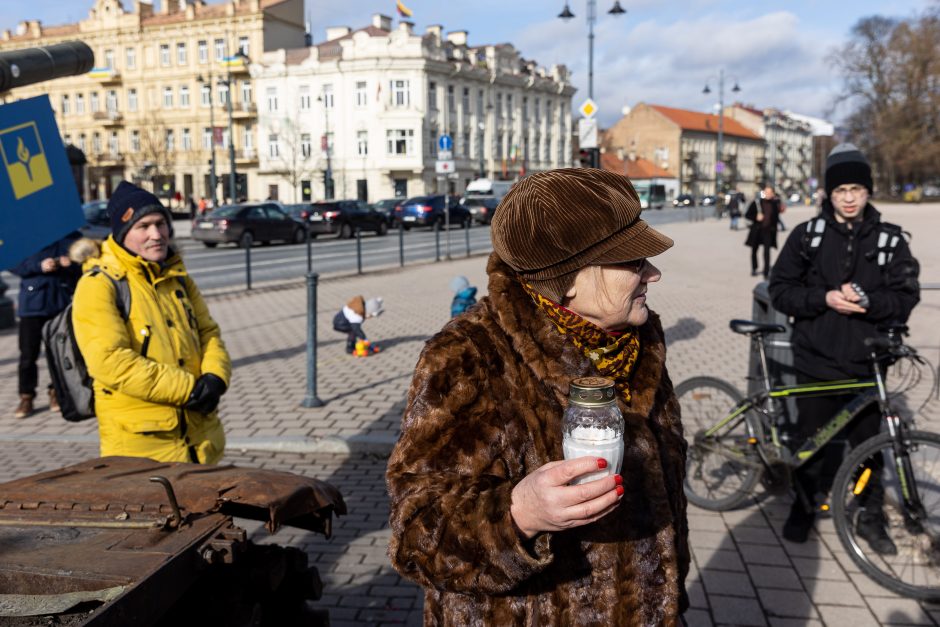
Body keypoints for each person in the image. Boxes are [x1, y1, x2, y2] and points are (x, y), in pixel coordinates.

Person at [387, 168, 688, 624]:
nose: (653, 273)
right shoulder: (469, 356)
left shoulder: (635, 343)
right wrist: (517, 514)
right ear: (566, 280)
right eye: (632, 261)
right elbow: (417, 534)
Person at [769, 143, 920, 551]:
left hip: (868, 364)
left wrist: (871, 302)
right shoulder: (808, 236)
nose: (849, 198)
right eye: (841, 191)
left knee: (870, 447)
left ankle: (870, 518)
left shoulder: (891, 241)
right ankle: (803, 507)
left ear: (868, 190)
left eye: (856, 188)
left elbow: (906, 296)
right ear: (829, 194)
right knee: (810, 441)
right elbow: (780, 290)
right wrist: (824, 299)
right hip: (814, 358)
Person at [70, 181, 231, 464]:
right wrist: (189, 389)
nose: (156, 234)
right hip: (143, 448)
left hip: (199, 437)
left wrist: (216, 376)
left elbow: (209, 332)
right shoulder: (99, 285)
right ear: (122, 234)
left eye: (161, 223)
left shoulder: (177, 277)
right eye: (142, 226)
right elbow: (110, 361)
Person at [8, 231, 82, 418]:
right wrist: (38, 265)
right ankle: (26, 396)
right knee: (28, 355)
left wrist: (69, 264)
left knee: (59, 354)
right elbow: (13, 263)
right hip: (32, 305)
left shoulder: (69, 236)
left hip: (59, 303)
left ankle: (56, 392)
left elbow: (83, 267)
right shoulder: (25, 235)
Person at [745, 184, 784, 278]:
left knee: (767, 252)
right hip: (757, 230)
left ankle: (766, 272)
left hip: (768, 231)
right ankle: (754, 268)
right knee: (754, 250)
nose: (768, 194)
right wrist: (756, 217)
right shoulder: (757, 203)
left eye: (770, 192)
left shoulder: (775, 204)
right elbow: (747, 215)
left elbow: (776, 217)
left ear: (773, 194)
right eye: (766, 192)